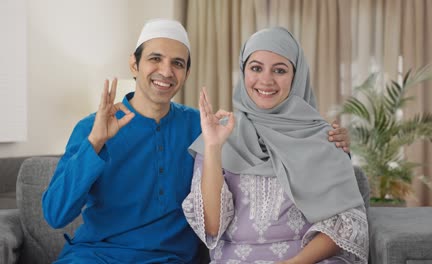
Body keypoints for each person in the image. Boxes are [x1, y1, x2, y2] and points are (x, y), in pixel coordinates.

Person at [42, 19, 352, 263]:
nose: (166, 71)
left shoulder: (202, 126)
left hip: (170, 259)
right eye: (155, 59)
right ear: (134, 65)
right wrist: (95, 142)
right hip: (94, 256)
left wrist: (331, 140)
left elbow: (273, 132)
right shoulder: (92, 127)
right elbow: (56, 215)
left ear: (186, 73)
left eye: (178, 63)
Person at [183, 27, 368, 263]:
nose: (266, 80)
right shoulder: (219, 133)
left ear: (296, 76)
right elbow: (211, 227)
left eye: (279, 70)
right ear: (243, 71)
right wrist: (212, 147)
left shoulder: (326, 138)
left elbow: (345, 223)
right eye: (256, 68)